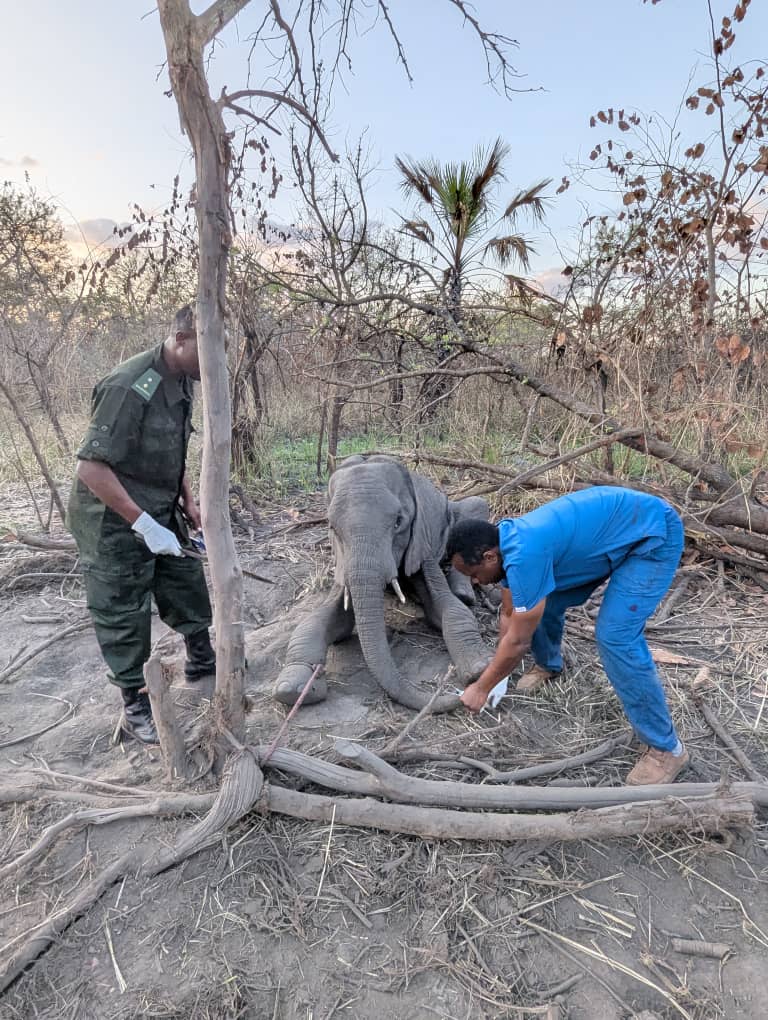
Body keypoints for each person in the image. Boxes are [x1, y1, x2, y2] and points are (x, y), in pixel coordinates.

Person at [446, 486, 689, 786]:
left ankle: (667, 750)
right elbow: (510, 614)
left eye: (472, 574)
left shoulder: (525, 556)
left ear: (488, 556)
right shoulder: (506, 544)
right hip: (619, 530)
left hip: (651, 536)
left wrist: (482, 689)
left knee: (615, 636)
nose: (473, 582)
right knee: (545, 603)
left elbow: (519, 641)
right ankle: (549, 664)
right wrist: (499, 675)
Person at [67, 306, 216, 744]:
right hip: (111, 520)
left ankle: (202, 660)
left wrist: (186, 496)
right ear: (182, 339)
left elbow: (171, 448)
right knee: (123, 609)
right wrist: (145, 526)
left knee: (185, 578)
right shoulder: (129, 386)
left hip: (159, 505)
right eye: (208, 352)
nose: (214, 365)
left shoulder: (183, 380)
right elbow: (91, 469)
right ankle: (134, 706)